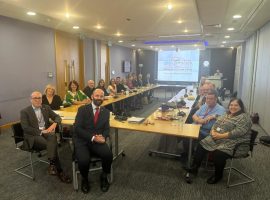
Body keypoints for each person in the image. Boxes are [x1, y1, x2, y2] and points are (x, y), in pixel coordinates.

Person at [186, 98, 252, 184]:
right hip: (219, 139)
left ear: (241, 107)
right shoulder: (227, 114)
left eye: (236, 105)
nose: (233, 107)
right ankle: (194, 168)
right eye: (231, 105)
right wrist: (213, 131)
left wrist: (220, 135)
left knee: (218, 154)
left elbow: (238, 132)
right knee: (202, 144)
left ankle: (218, 175)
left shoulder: (244, 118)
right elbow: (216, 123)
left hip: (235, 143)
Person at [20, 91, 71, 183]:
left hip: (47, 132)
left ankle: (52, 165)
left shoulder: (46, 108)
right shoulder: (25, 111)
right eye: (35, 98)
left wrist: (54, 124)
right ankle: (59, 170)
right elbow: (25, 128)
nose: (38, 100)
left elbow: (57, 117)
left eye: (40, 98)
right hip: (33, 136)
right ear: (31, 100)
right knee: (52, 143)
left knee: (52, 137)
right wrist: (41, 131)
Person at [74, 89, 113, 194]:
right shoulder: (82, 109)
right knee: (83, 160)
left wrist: (104, 137)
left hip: (98, 141)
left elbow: (106, 129)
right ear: (92, 96)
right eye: (97, 95)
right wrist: (93, 137)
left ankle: (104, 176)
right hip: (83, 140)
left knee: (108, 155)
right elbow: (77, 128)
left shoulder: (106, 112)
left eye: (101, 96)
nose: (99, 98)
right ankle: (85, 179)